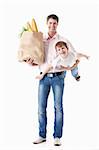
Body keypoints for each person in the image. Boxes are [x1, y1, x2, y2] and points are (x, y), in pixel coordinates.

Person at [26, 14, 87, 146]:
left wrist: (71, 68)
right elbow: (38, 59)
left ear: (57, 24)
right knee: (41, 108)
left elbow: (74, 56)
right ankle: (42, 135)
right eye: (50, 23)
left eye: (54, 23)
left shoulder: (63, 40)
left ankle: (57, 136)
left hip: (58, 78)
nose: (52, 25)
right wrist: (31, 63)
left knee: (58, 107)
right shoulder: (40, 39)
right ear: (46, 24)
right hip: (43, 78)